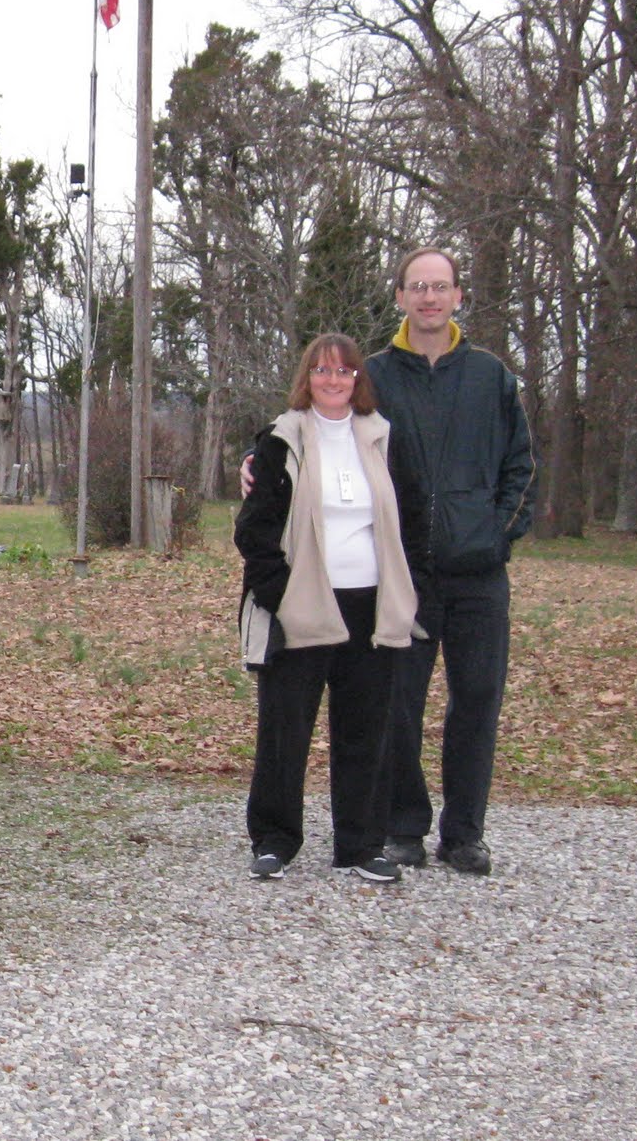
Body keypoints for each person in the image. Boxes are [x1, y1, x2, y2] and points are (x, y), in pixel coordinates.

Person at [240, 247, 535, 876]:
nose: (429, 297)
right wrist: (253, 464)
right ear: (399, 296)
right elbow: (298, 439)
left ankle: (462, 834)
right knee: (391, 713)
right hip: (371, 584)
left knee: (473, 705)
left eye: (440, 286)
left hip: (463, 576)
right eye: (417, 287)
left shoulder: (490, 376)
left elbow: (522, 467)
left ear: (458, 295)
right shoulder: (377, 373)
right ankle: (398, 829)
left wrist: (495, 537)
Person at [236, 334, 424, 883]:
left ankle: (361, 845)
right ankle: (274, 840)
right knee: (284, 729)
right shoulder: (281, 439)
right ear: (307, 378)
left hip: (371, 606)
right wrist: (280, 593)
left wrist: (412, 589)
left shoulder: (382, 437)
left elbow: (413, 519)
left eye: (343, 371)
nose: (333, 380)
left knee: (366, 730)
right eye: (321, 370)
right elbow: (255, 530)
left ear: (358, 379)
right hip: (303, 605)